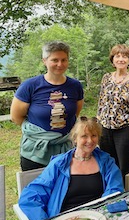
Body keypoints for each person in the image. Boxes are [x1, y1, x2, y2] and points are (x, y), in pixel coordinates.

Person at [18, 117, 124, 220]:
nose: (90, 141)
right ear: (75, 139)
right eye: (84, 136)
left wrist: (102, 216)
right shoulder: (59, 164)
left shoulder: (106, 162)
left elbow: (115, 191)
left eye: (94, 136)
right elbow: (30, 197)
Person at [10, 41, 84, 171]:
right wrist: (42, 133)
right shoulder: (30, 86)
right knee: (36, 189)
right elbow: (16, 117)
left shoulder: (75, 86)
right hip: (35, 151)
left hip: (66, 148)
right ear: (45, 61)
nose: (60, 64)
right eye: (55, 60)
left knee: (65, 188)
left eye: (64, 60)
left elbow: (74, 113)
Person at [97, 44, 129, 180]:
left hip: (125, 129)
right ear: (112, 59)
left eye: (124, 56)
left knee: (125, 167)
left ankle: (126, 196)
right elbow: (101, 103)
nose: (121, 59)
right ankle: (110, 195)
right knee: (107, 164)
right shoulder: (106, 78)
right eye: (117, 56)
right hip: (105, 129)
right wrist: (97, 126)